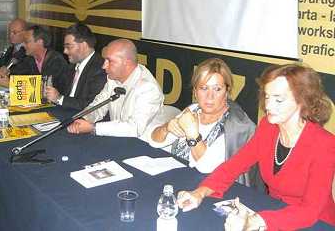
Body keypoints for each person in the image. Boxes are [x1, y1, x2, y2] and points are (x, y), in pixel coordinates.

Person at [177, 63, 335, 230]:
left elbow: (309, 211)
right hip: (274, 211)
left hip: (316, 223)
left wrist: (255, 221)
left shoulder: (324, 144)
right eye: (267, 97)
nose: (268, 106)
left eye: (278, 99)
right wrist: (200, 192)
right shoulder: (268, 127)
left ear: (302, 100)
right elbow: (233, 166)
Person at [148, 58, 261, 188]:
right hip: (180, 181)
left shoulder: (237, 125)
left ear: (227, 92)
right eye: (204, 88)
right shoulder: (193, 109)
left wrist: (192, 134)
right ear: (195, 91)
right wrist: (166, 128)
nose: (210, 96)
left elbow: (206, 167)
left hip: (215, 192)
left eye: (217, 89)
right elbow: (154, 142)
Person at [67, 39, 164, 139]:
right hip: (118, 138)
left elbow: (135, 128)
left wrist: (93, 128)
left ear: (127, 63)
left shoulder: (148, 88)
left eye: (110, 61)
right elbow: (98, 105)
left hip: (143, 144)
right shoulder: (113, 78)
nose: (104, 66)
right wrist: (84, 119)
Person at [44, 23, 106, 110]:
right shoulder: (72, 65)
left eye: (68, 47)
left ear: (83, 46)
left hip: (82, 118)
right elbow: (60, 89)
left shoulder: (100, 69)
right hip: (64, 111)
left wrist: (59, 98)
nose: (65, 51)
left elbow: (91, 105)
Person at [0, 25, 70, 94]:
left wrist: (11, 85)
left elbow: (44, 89)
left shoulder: (56, 60)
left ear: (40, 42)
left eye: (27, 42)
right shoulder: (30, 59)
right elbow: (17, 73)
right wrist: (6, 71)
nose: (23, 45)